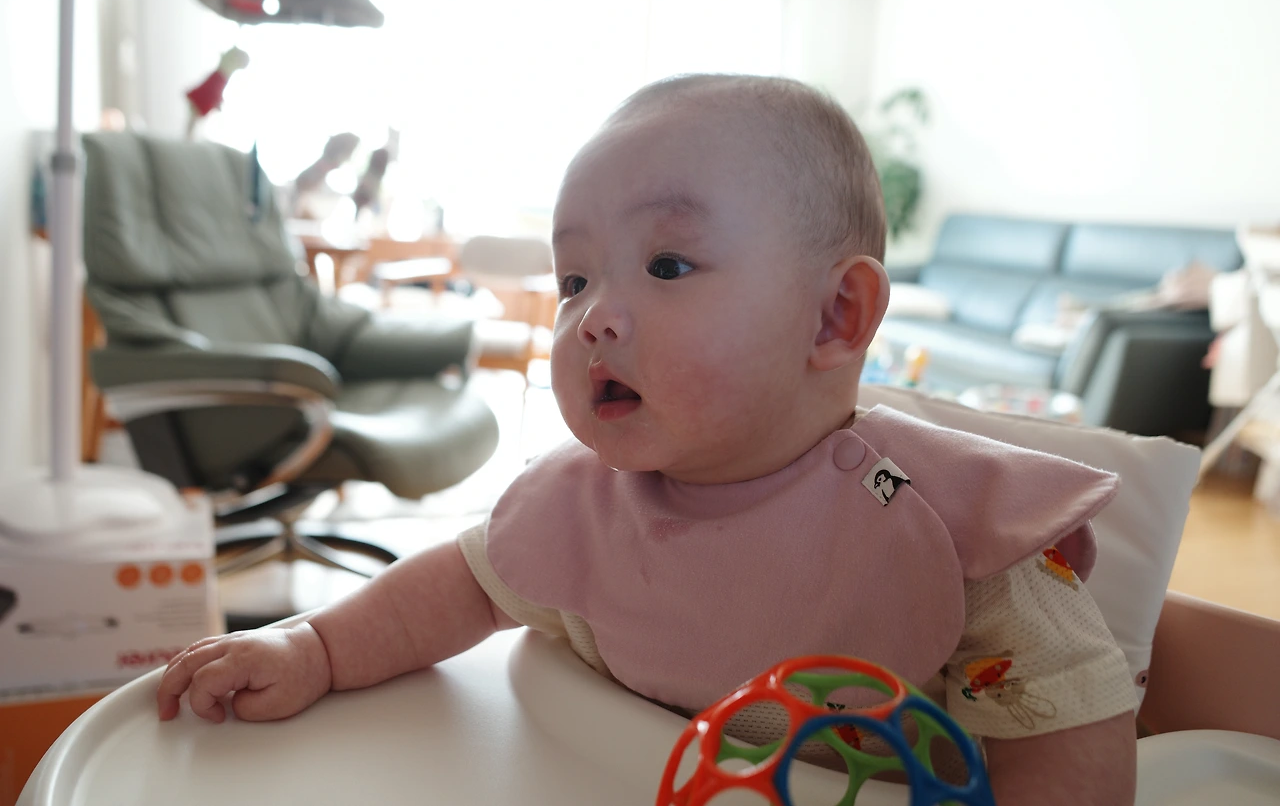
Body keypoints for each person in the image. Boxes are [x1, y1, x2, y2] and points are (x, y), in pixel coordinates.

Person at [157, 74, 1138, 804]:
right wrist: (316, 646)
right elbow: (457, 587)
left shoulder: (950, 528)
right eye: (575, 279)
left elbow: (1069, 723)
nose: (592, 317)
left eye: (666, 264)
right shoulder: (577, 505)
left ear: (834, 316)